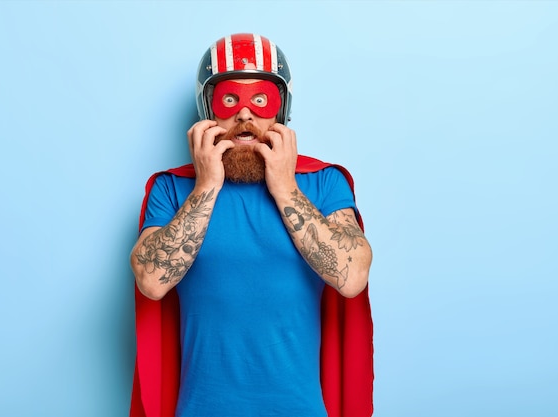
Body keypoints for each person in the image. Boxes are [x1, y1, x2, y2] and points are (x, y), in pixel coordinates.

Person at [129, 33, 374, 417]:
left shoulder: (324, 183)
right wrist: (207, 183)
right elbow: (152, 281)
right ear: (208, 109)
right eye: (230, 100)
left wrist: (285, 186)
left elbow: (352, 276)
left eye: (261, 100)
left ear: (281, 109)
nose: (245, 115)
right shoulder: (172, 189)